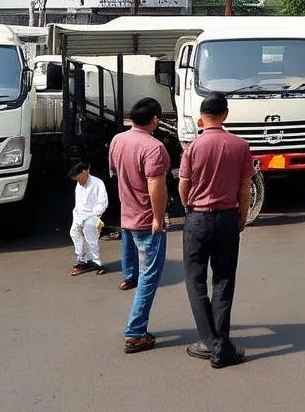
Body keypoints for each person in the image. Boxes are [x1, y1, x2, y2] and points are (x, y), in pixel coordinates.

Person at [178, 92, 254, 369]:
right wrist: (241, 217)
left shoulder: (193, 147)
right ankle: (222, 345)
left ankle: (208, 342)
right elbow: (245, 187)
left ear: (202, 115)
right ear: (225, 115)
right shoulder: (240, 146)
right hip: (227, 218)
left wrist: (191, 208)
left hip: (197, 217)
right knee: (223, 280)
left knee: (195, 280)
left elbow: (183, 185)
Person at [108, 97, 170, 354]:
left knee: (137, 267)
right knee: (149, 276)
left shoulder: (117, 140)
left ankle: (127, 276)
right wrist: (158, 218)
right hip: (146, 219)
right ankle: (135, 332)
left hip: (128, 214)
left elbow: (114, 171)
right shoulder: (154, 148)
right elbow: (156, 186)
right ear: (155, 120)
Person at [68, 161, 109, 276]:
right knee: (74, 233)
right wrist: (77, 219)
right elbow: (79, 205)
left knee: (90, 235)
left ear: (85, 172)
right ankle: (82, 260)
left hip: (94, 217)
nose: (78, 181)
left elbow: (102, 204)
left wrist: (88, 217)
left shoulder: (97, 183)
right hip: (79, 216)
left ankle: (96, 262)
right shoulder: (79, 185)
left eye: (78, 177)